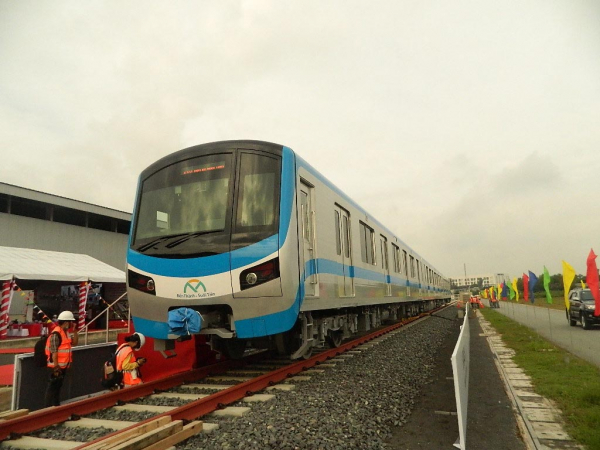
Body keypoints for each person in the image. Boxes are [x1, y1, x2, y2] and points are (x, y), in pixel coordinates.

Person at [44, 310, 78, 407]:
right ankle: (48, 408)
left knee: (58, 387)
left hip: (63, 366)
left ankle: (55, 406)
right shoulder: (56, 334)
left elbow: (74, 343)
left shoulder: (65, 333)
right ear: (66, 322)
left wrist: (75, 331)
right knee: (52, 388)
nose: (72, 324)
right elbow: (54, 352)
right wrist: (56, 367)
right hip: (55, 367)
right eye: (71, 322)